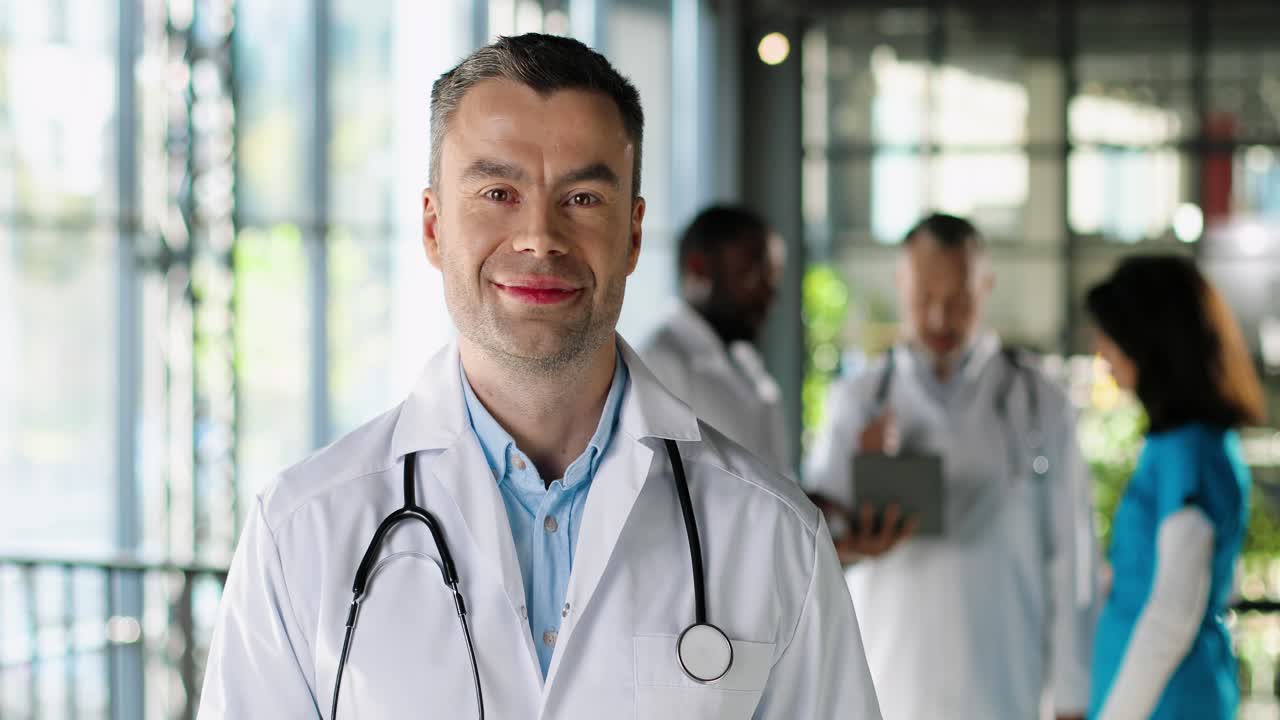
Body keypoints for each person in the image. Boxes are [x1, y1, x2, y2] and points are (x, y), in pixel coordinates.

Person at [197, 34, 881, 719]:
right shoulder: (301, 532)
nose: (539, 237)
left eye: (582, 199)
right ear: (433, 227)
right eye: (498, 191)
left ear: (634, 235)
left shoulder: (773, 535)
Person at [804, 213, 1099, 720]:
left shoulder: (1039, 400)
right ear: (901, 285)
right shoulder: (857, 401)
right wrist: (860, 492)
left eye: (959, 299)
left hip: (1005, 682)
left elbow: (1071, 555)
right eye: (924, 300)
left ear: (986, 286)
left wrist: (1071, 696)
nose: (941, 319)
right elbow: (809, 549)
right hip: (887, 679)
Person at [1086, 255, 1265, 720]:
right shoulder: (1178, 446)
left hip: (1166, 704)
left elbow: (1172, 613)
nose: (1101, 351)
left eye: (1111, 335)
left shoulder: (1190, 452)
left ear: (1147, 342)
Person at [640, 205, 789, 472]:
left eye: (773, 280)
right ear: (698, 269)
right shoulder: (658, 365)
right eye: (754, 276)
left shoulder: (744, 360)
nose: (769, 294)